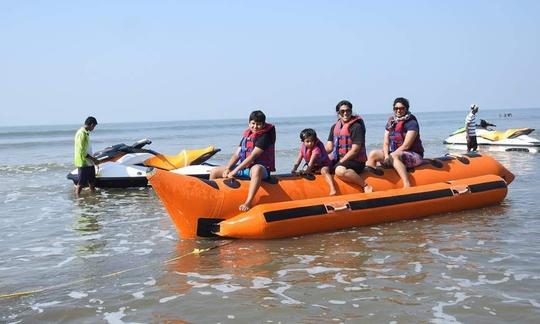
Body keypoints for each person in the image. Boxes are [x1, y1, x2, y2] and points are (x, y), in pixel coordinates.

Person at [209, 110, 276, 211]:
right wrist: (228, 168)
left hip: (262, 170)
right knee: (215, 171)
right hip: (245, 168)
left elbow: (252, 156)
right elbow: (237, 154)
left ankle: (248, 202)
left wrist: (235, 171)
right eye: (253, 123)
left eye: (258, 124)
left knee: (256, 169)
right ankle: (212, 199)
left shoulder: (265, 137)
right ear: (249, 123)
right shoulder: (247, 136)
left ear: (263, 124)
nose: (255, 126)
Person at [366, 97, 424, 188]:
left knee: (394, 156)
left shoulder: (412, 123)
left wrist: (391, 156)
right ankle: (371, 182)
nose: (398, 110)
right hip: (395, 155)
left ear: (406, 109)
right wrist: (386, 157)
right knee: (373, 154)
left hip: (414, 155)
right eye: (396, 108)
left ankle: (407, 183)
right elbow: (386, 143)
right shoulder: (391, 122)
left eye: (401, 108)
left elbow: (406, 145)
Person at [325, 100, 372, 192]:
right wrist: (317, 155)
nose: (345, 113)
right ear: (338, 113)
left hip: (356, 161)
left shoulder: (356, 127)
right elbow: (329, 147)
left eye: (348, 111)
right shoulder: (334, 127)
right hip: (340, 159)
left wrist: (341, 162)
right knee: (321, 167)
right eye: (342, 111)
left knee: (339, 170)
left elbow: (355, 150)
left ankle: (365, 185)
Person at [292, 128, 337, 196]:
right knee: (302, 171)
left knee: (324, 171)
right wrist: (294, 169)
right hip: (314, 166)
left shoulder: (316, 148)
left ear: (315, 140)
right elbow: (299, 159)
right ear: (303, 141)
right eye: (307, 141)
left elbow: (311, 162)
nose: (310, 143)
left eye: (312, 141)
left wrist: (307, 171)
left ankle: (332, 188)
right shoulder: (303, 147)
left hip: (324, 165)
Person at [74, 116, 100, 196]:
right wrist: (93, 159)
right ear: (91, 125)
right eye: (94, 126)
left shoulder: (86, 133)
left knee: (92, 182)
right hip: (83, 162)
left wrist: (93, 157)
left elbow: (87, 148)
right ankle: (78, 200)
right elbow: (81, 151)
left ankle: (92, 197)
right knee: (81, 184)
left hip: (89, 162)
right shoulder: (81, 134)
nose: (94, 128)